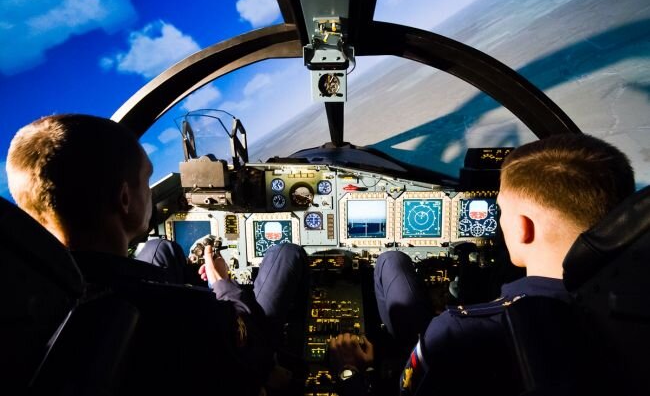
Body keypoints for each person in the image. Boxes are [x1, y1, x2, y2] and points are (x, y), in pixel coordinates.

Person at [329, 133, 635, 395]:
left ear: (522, 228)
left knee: (390, 260)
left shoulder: (457, 334)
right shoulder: (631, 302)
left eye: (500, 211)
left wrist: (350, 371)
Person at [4, 114, 278, 394]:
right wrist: (223, 283)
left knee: (160, 248)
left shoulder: (28, 312)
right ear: (124, 199)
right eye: (146, 179)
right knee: (285, 255)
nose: (149, 191)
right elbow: (257, 356)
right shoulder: (192, 312)